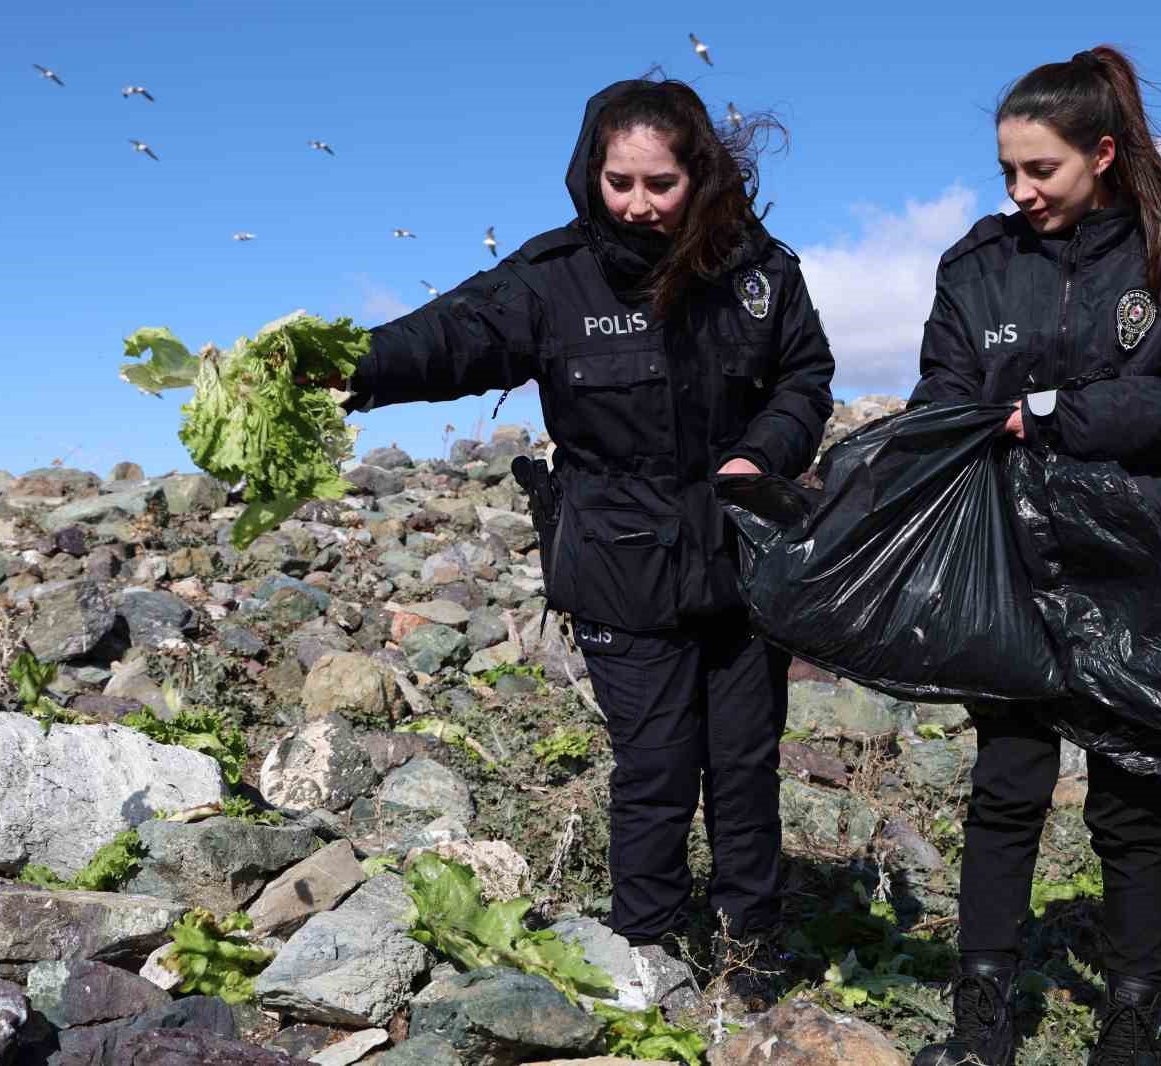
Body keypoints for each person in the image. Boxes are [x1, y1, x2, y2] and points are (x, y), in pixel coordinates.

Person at [316, 79, 835, 996]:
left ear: (700, 175)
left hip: (747, 563)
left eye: (662, 184)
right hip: (617, 565)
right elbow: (448, 338)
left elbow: (806, 377)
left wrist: (764, 455)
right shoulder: (550, 280)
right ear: (590, 172)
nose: (640, 205)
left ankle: (752, 957)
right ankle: (652, 957)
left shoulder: (760, 272)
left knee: (747, 766)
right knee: (658, 766)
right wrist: (338, 365)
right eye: (621, 182)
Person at [906, 47, 1161, 1066]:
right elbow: (938, 400)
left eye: (1043, 171)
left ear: (1104, 154)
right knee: (1005, 788)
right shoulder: (977, 265)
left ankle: (1132, 1022)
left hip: (1145, 570)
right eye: (1008, 174)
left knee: (1129, 802)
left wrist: (1057, 415)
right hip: (1016, 569)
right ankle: (980, 1020)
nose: (1022, 192)